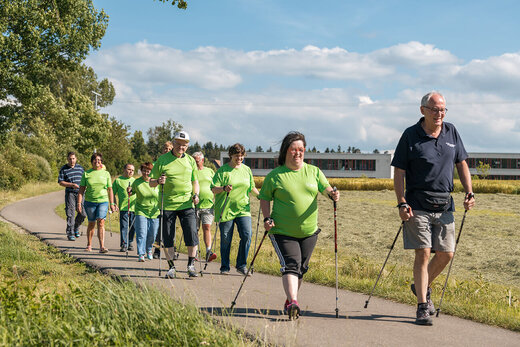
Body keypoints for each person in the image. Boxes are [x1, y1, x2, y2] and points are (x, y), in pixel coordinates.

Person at [391, 91, 475, 326]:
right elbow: (399, 171)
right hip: (417, 204)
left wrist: (469, 191)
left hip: (445, 203)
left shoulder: (451, 131)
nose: (439, 114)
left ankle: (421, 285)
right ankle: (421, 306)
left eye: (443, 110)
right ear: (423, 110)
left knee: (447, 253)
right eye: (435, 109)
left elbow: (462, 164)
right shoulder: (410, 135)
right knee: (424, 252)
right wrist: (401, 201)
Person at [259, 131, 340, 320]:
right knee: (291, 264)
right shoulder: (276, 175)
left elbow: (326, 188)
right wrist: (266, 218)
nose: (298, 153)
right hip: (282, 231)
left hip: (309, 231)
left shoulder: (313, 171)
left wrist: (333, 194)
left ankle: (290, 300)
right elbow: (264, 198)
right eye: (294, 149)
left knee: (301, 268)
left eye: (301, 149)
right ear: (286, 151)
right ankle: (294, 302)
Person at [150, 131, 200, 278]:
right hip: (168, 204)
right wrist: (158, 181)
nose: (181, 147)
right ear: (173, 143)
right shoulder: (162, 160)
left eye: (184, 145)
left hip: (186, 204)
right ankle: (171, 267)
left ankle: (191, 265)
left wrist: (196, 194)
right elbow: (151, 181)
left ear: (188, 146)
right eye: (178, 144)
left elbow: (195, 182)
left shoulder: (190, 161)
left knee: (191, 234)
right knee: (168, 237)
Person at [211, 143, 260, 276]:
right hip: (225, 209)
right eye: (236, 156)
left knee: (247, 235)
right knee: (226, 239)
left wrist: (260, 196)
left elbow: (251, 187)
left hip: (243, 209)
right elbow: (213, 189)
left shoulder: (246, 170)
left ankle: (241, 265)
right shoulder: (223, 171)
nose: (239, 158)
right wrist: (224, 188)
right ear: (230, 156)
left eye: (241, 156)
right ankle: (225, 266)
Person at [77, 152, 117, 253]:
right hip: (90, 202)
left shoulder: (106, 173)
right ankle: (89, 245)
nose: (97, 162)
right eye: (95, 160)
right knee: (91, 223)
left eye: (99, 160)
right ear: (92, 162)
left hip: (103, 201)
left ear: (101, 162)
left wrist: (112, 203)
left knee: (101, 221)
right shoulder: (87, 174)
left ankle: (102, 246)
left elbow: (110, 189)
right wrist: (79, 203)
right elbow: (81, 190)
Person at [129, 162, 159, 262]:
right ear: (141, 171)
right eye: (144, 171)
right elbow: (131, 192)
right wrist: (129, 190)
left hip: (154, 211)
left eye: (148, 171)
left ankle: (149, 249)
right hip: (141, 211)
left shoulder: (156, 182)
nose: (146, 173)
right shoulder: (137, 182)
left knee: (152, 234)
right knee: (142, 233)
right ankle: (141, 253)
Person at [192, 152, 217, 262]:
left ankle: (208, 251)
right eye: (193, 161)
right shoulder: (191, 172)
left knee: (207, 227)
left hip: (208, 204)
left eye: (197, 161)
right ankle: (195, 252)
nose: (195, 163)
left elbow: (215, 185)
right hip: (194, 205)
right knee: (194, 229)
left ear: (202, 160)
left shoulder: (210, 171)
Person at [153, 140, 174, 259]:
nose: (167, 151)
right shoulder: (159, 163)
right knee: (160, 227)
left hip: (172, 200)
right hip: (160, 198)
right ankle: (157, 249)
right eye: (165, 149)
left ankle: (171, 249)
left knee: (170, 229)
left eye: (169, 149)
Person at [58, 151, 86, 241]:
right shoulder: (64, 169)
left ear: (76, 159)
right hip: (70, 193)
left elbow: (85, 180)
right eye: (70, 159)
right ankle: (70, 232)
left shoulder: (80, 168)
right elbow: (61, 182)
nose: (72, 160)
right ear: (67, 159)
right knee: (70, 214)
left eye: (73, 158)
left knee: (83, 213)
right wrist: (71, 185)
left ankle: (76, 227)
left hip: (80, 193)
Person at [112, 164, 136, 252]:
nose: (131, 172)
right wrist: (114, 203)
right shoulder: (118, 180)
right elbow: (112, 193)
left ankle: (130, 242)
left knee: (133, 227)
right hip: (124, 208)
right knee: (124, 227)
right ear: (124, 169)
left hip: (134, 208)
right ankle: (124, 244)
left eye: (132, 170)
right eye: (129, 169)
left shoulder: (135, 181)